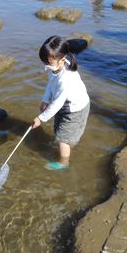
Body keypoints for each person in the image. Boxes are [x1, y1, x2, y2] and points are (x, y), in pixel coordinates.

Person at [32, 36, 90, 170]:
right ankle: (68, 141)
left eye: (48, 64)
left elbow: (57, 104)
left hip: (75, 109)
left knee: (63, 139)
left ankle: (64, 163)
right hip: (67, 105)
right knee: (60, 130)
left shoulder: (66, 80)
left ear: (62, 60)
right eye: (44, 63)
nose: (46, 67)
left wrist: (41, 118)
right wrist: (45, 99)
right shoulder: (57, 66)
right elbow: (51, 84)